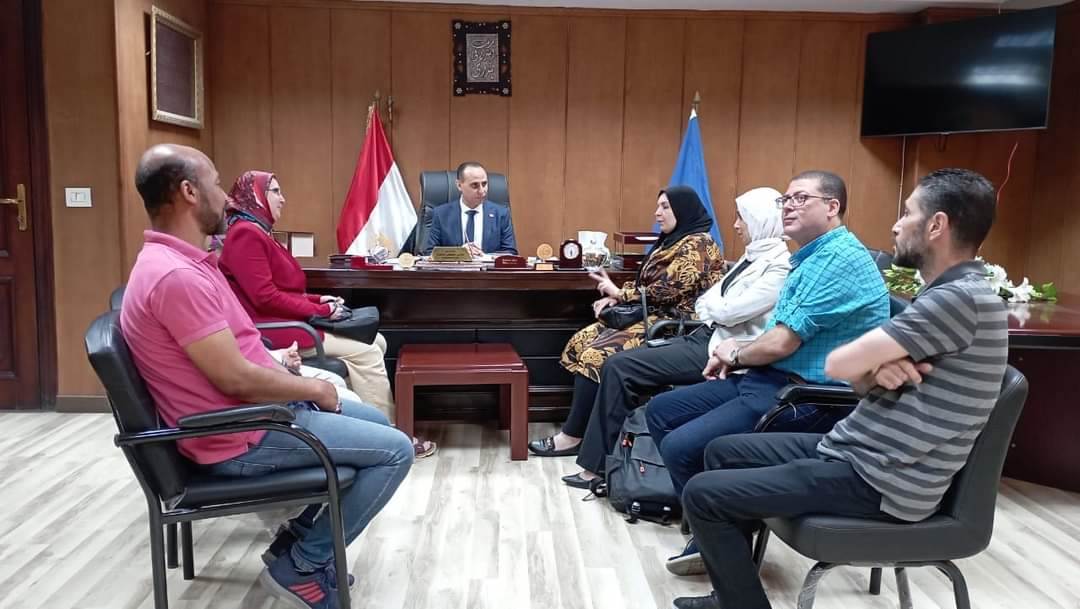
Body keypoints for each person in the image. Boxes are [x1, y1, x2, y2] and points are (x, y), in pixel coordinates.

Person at [671, 168, 1008, 609]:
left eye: (907, 213)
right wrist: (873, 369)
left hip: (882, 479)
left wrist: (867, 364)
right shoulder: (952, 295)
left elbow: (841, 364)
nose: (896, 225)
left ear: (936, 225)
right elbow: (861, 381)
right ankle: (730, 591)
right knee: (722, 452)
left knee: (703, 495)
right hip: (861, 452)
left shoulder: (957, 300)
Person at [121, 144, 414, 609]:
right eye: (217, 184)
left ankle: (293, 541)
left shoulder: (187, 262)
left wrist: (278, 363)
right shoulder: (175, 277)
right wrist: (315, 388)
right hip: (239, 434)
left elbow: (234, 352)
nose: (227, 197)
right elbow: (235, 379)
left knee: (377, 426)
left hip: (255, 414)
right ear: (189, 192)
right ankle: (303, 565)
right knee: (395, 451)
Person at [645, 170, 890, 572]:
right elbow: (776, 333)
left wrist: (736, 354)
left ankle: (724, 539)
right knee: (662, 411)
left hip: (808, 397)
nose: (788, 207)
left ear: (832, 207)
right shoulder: (811, 256)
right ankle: (718, 530)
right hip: (773, 379)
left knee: (682, 446)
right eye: (785, 200)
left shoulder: (839, 259)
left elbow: (781, 343)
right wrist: (734, 353)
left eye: (800, 199)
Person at [535, 187, 791, 487]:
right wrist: (711, 306)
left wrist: (623, 294)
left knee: (610, 361)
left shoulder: (772, 263)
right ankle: (585, 443)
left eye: (741, 218)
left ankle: (595, 463)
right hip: (704, 333)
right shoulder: (750, 257)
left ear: (760, 220)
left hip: (696, 333)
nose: (735, 225)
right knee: (585, 345)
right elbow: (711, 300)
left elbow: (722, 308)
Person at [217, 170, 435, 458]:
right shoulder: (246, 234)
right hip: (274, 330)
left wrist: (320, 298)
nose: (283, 198)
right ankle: (389, 436)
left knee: (378, 341)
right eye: (275, 191)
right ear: (256, 195)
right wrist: (321, 310)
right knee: (369, 353)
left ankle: (361, 423)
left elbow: (283, 290)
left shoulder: (258, 231)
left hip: (289, 320)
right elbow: (265, 297)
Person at [528, 186, 725, 466]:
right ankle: (584, 425)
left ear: (683, 209)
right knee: (580, 343)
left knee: (595, 355)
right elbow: (646, 281)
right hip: (648, 315)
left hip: (673, 326)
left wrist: (620, 294)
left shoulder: (699, 243)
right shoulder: (672, 240)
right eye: (657, 206)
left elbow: (668, 289)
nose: (657, 213)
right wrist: (616, 295)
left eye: (665, 207)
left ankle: (573, 436)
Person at [421, 161, 517, 255]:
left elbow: (510, 253)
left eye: (484, 184)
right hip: (454, 266)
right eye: (475, 185)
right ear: (459, 185)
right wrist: (459, 253)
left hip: (488, 266)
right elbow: (429, 253)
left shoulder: (501, 214)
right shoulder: (441, 214)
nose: (482, 191)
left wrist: (484, 257)